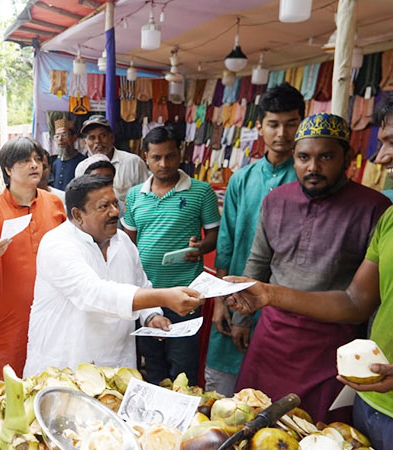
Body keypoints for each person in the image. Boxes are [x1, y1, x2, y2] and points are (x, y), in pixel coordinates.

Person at [223, 105, 393, 448]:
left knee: (318, 435)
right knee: (255, 426)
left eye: (325, 157)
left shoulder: (374, 208)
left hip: (334, 344)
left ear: (347, 157)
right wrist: (242, 317)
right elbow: (258, 260)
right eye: (303, 157)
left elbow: (359, 300)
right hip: (272, 335)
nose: (312, 167)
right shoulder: (276, 200)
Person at [24, 175, 204, 374]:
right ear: (77, 215)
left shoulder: (123, 242)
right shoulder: (57, 244)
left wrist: (151, 315)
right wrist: (165, 297)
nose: (116, 212)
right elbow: (93, 294)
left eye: (115, 203)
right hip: (66, 365)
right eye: (104, 207)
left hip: (116, 364)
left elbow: (140, 284)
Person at [206, 83, 305, 396]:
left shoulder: (307, 181)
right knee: (222, 391)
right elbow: (226, 245)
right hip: (235, 294)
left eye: (291, 124)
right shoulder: (242, 179)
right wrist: (221, 301)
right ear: (260, 126)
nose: (282, 134)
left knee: (272, 391)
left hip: (285, 303)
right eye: (273, 124)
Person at [122, 125, 221, 384]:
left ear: (181, 154)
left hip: (185, 294)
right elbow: (128, 243)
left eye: (170, 156)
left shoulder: (202, 191)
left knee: (183, 368)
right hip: (146, 296)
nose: (163, 163)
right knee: (151, 363)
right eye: (156, 157)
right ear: (146, 156)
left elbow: (214, 236)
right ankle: (153, 423)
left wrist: (200, 247)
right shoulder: (134, 196)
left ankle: (184, 421)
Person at [0, 136, 66, 386]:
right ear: (8, 170)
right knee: (10, 387)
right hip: (11, 315)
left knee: (51, 380)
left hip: (52, 309)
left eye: (37, 160)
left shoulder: (54, 203)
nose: (35, 165)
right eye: (25, 161)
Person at [79, 115, 149, 202]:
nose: (97, 141)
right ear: (85, 142)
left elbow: (146, 197)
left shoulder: (134, 162)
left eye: (103, 135)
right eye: (92, 138)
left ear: (112, 137)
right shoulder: (81, 168)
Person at [51, 119, 85, 191]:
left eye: (64, 135)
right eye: (57, 136)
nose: (60, 139)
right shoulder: (55, 163)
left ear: (74, 137)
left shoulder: (82, 162)